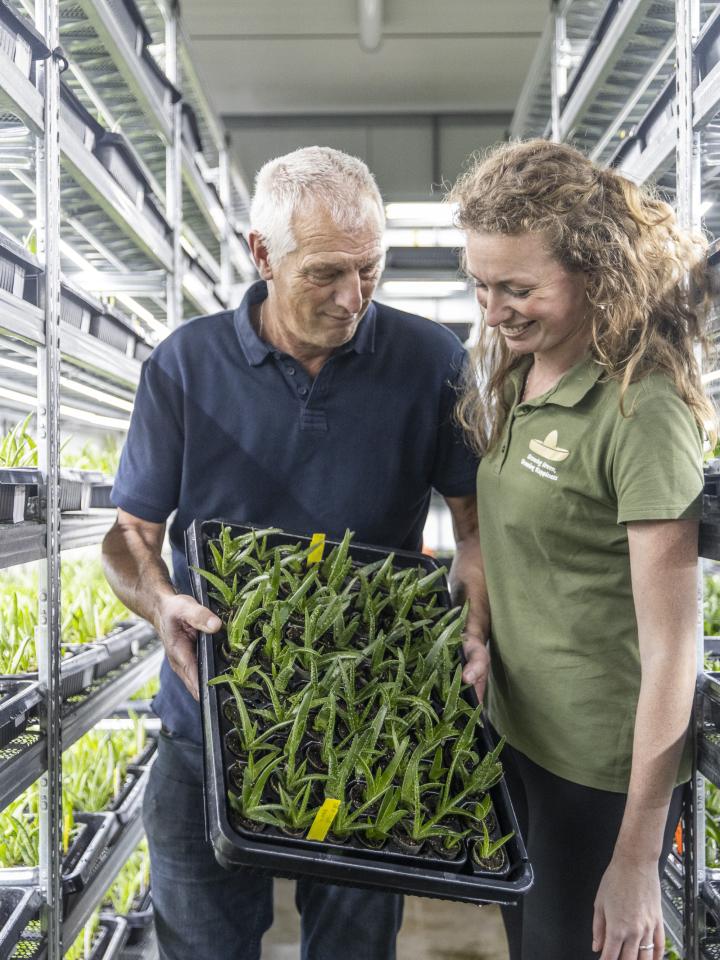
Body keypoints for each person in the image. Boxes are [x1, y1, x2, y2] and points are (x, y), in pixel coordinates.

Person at [102, 145, 485, 960]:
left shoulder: (433, 363)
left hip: (362, 728)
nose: (353, 298)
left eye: (370, 269)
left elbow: (477, 524)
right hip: (204, 723)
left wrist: (476, 620)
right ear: (262, 255)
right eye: (325, 273)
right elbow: (130, 535)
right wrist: (161, 600)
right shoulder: (186, 365)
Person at [452, 138, 713, 960]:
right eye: (482, 286)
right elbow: (510, 539)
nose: (494, 311)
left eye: (519, 288)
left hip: (600, 780)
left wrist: (634, 859)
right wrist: (480, 627)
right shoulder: (521, 369)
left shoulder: (642, 412)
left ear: (596, 273)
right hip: (520, 742)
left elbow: (674, 651)